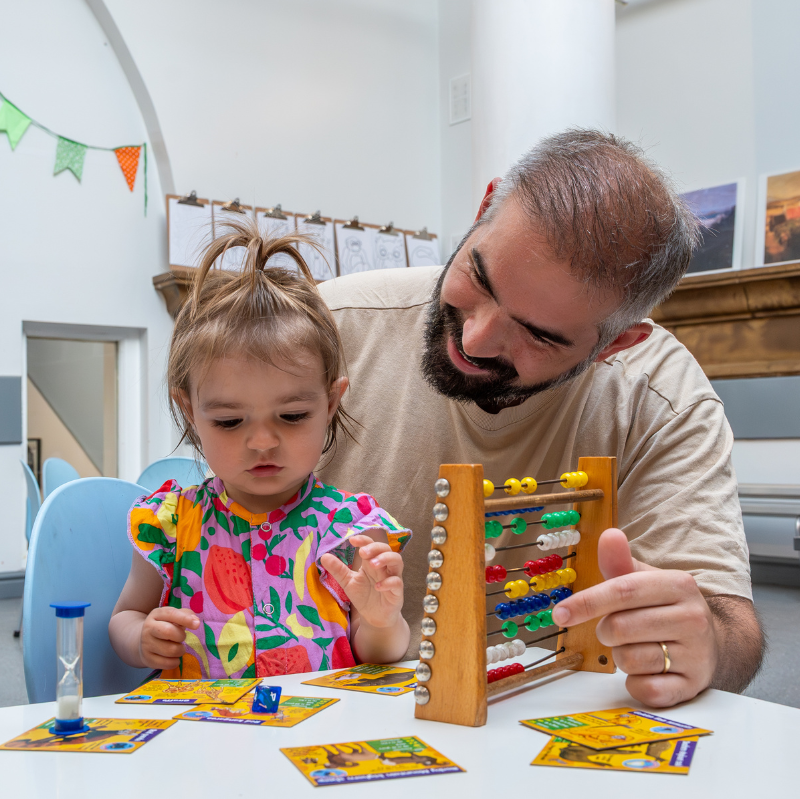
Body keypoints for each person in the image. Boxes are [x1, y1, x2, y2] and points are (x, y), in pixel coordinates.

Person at [317, 129, 764, 708]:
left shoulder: (660, 399)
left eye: (539, 335)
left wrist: (705, 643)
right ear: (483, 208)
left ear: (615, 344)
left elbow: (733, 630)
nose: (475, 340)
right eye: (479, 277)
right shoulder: (331, 328)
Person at [109, 220, 411, 678]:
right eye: (230, 422)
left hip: (313, 740)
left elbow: (378, 654)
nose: (264, 442)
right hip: (201, 738)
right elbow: (124, 616)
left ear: (330, 403)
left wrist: (380, 618)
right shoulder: (169, 524)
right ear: (190, 411)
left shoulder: (351, 531)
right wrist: (141, 638)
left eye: (291, 416)